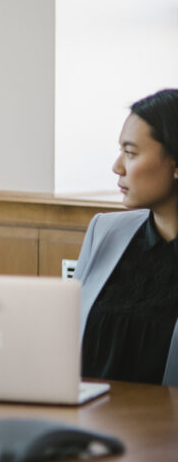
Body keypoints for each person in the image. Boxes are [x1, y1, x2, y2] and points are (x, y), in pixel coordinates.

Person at [76, 89, 178, 385]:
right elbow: (64, 336)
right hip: (86, 423)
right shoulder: (103, 232)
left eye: (130, 153)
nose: (117, 166)